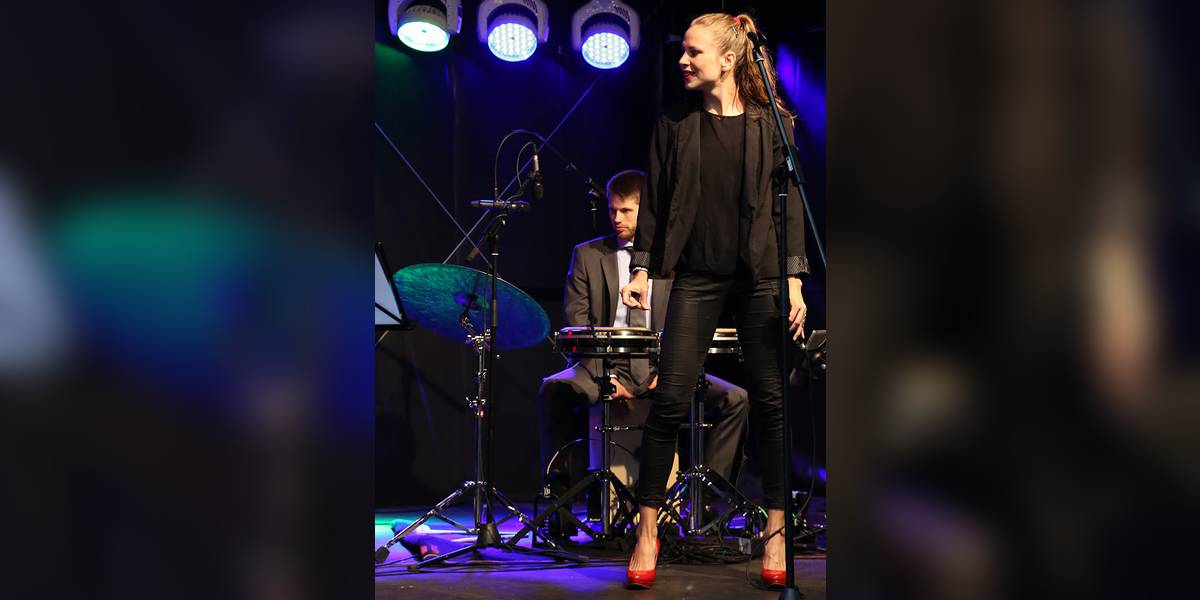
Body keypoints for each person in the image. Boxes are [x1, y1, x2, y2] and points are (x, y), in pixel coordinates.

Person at [620, 13, 810, 590]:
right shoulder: (675, 123)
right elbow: (655, 204)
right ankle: (647, 530)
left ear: (728, 60)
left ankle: (776, 529)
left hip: (759, 276)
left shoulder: (772, 124)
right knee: (670, 398)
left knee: (771, 402)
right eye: (683, 51)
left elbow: (788, 208)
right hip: (698, 276)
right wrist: (641, 268)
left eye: (694, 52)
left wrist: (794, 281)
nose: (683, 60)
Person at [538, 169, 749, 539]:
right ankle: (561, 507)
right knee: (554, 390)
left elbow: (691, 325)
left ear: (646, 211)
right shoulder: (587, 255)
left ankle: (706, 503)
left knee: (736, 399)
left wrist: (669, 372)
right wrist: (607, 377)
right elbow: (578, 323)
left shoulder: (674, 260)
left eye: (626, 211)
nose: (616, 218)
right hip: (603, 366)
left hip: (663, 366)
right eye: (612, 210)